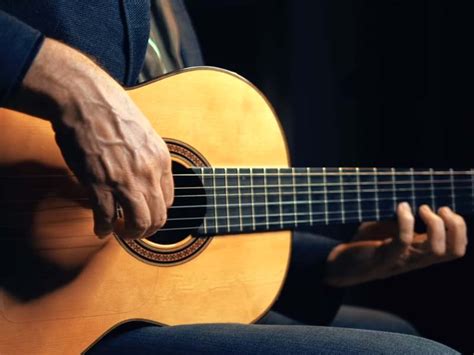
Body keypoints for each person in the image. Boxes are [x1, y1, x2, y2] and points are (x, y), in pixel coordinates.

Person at [0, 1, 467, 353]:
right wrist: (71, 86)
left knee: (394, 329)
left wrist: (337, 263)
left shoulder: (166, 12)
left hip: (82, 304)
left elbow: (169, 204)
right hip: (30, 317)